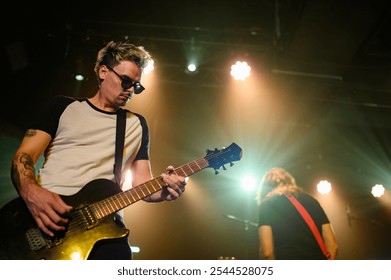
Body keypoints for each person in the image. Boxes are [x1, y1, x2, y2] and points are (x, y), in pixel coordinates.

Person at [10, 40, 187, 260]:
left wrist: (166, 191)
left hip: (104, 227)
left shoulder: (137, 124)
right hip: (47, 219)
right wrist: (31, 192)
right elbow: (24, 156)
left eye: (136, 86)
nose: (131, 90)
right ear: (104, 71)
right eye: (126, 81)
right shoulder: (63, 107)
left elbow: (143, 184)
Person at [256, 167, 338, 260]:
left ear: (265, 188)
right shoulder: (312, 201)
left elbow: (267, 252)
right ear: (290, 181)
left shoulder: (267, 204)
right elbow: (332, 245)